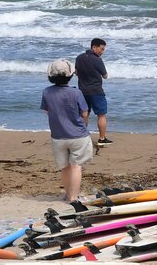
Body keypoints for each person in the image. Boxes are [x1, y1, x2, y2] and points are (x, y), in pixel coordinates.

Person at [40, 59, 95, 204]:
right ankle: (73, 198)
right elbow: (84, 113)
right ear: (70, 75)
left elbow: (47, 111)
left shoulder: (47, 92)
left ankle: (68, 194)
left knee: (64, 167)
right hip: (78, 135)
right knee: (76, 166)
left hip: (58, 136)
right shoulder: (76, 92)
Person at [74, 38, 110, 145]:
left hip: (82, 91)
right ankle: (102, 139)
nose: (102, 52)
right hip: (96, 91)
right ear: (94, 47)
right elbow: (105, 76)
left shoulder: (79, 58)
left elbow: (76, 72)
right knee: (101, 115)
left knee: (85, 114)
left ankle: (82, 138)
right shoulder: (97, 60)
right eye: (101, 49)